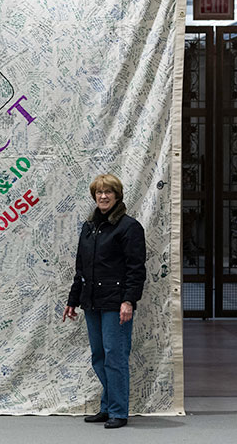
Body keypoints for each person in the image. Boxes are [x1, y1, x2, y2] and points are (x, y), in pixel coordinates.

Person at [63, 173, 146, 429]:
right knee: (99, 356)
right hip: (92, 302)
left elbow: (136, 269)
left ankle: (119, 412)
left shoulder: (129, 227)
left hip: (116, 303)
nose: (103, 196)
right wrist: (73, 299)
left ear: (117, 195)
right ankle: (107, 407)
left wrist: (128, 301)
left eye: (108, 192)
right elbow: (81, 268)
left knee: (115, 357)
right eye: (99, 192)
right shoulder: (89, 227)